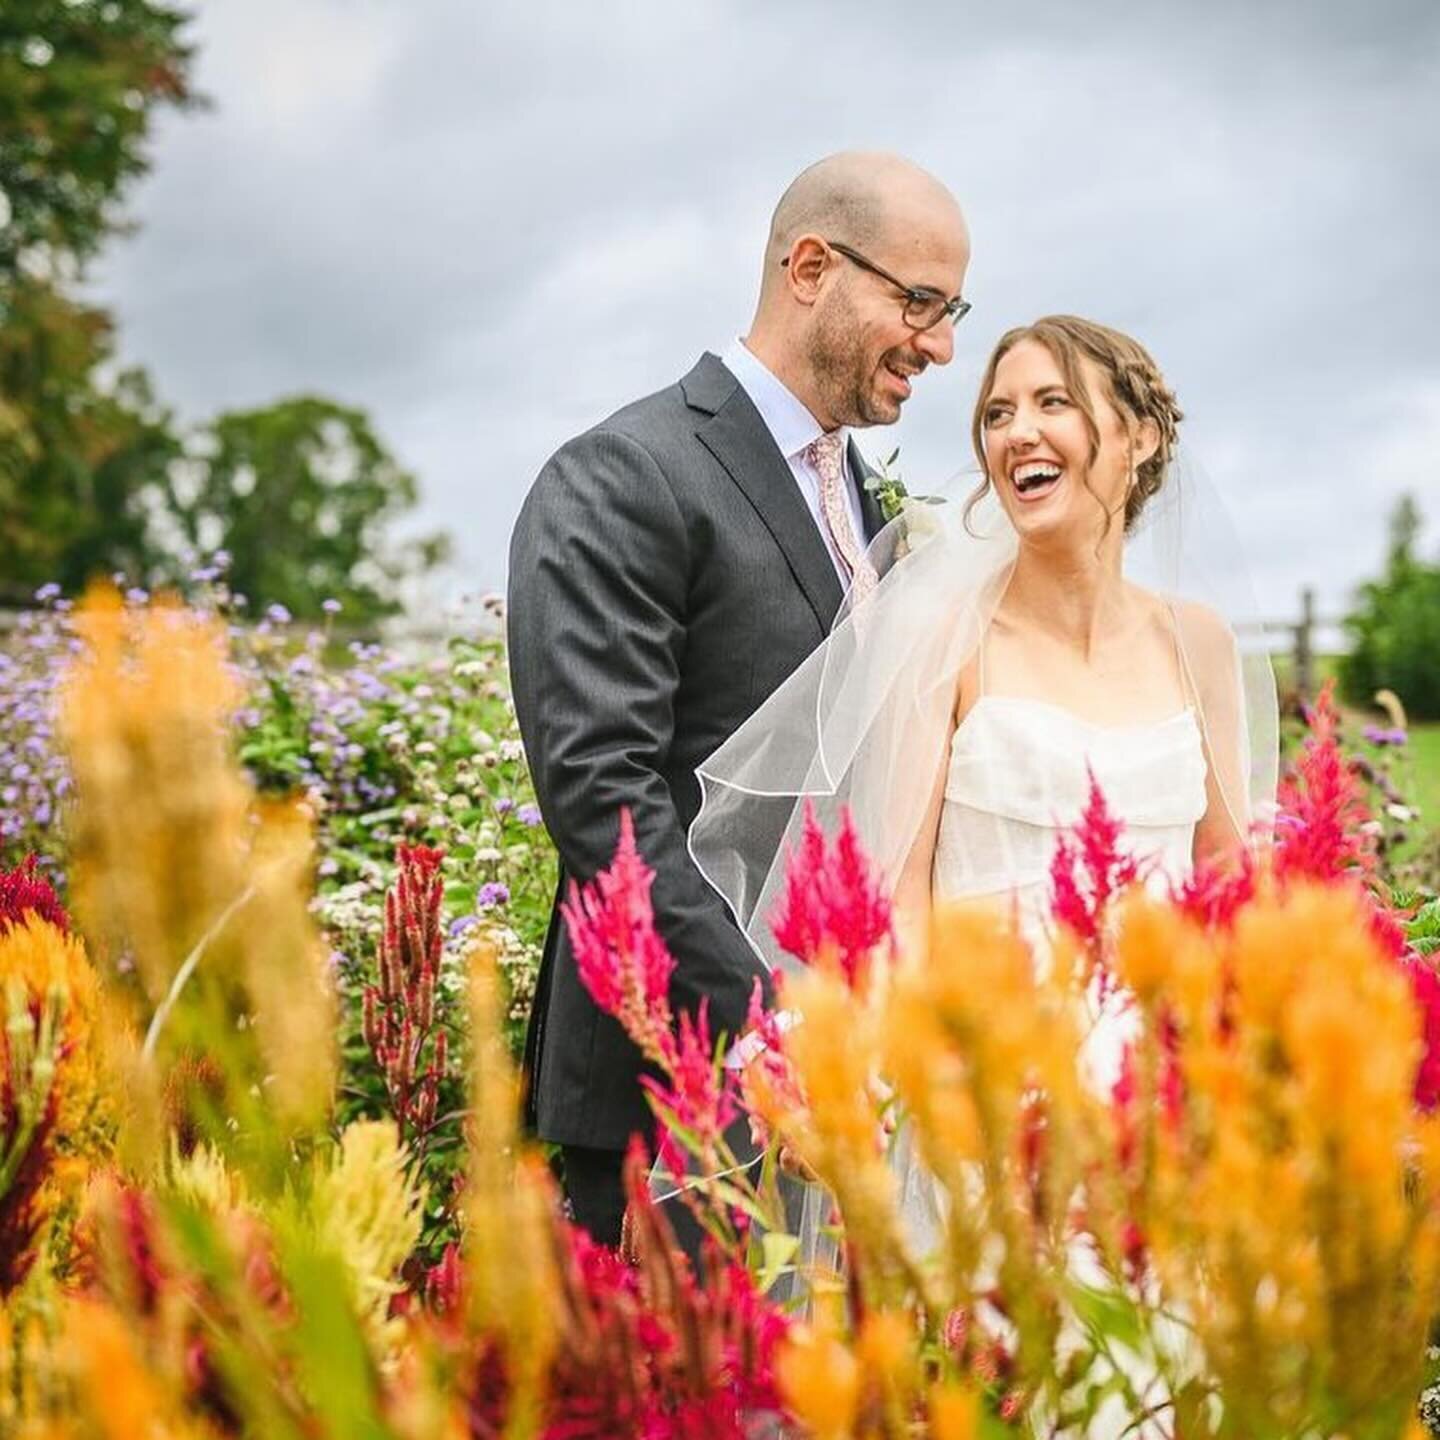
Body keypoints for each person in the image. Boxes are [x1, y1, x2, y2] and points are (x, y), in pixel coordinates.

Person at [507, 152, 972, 1246]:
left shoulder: (855, 490)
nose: (942, 345)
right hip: (671, 1090)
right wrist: (774, 1031)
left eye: (953, 313)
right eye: (920, 302)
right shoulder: (626, 474)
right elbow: (605, 800)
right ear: (811, 265)